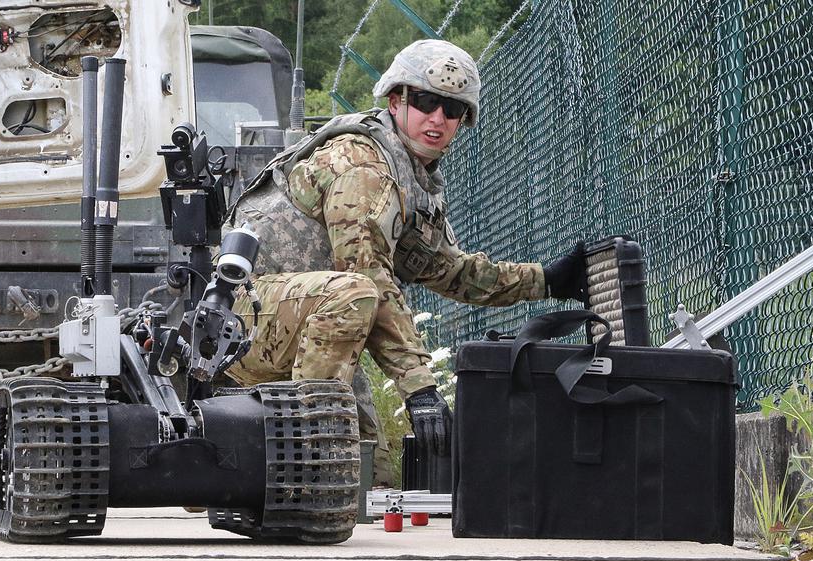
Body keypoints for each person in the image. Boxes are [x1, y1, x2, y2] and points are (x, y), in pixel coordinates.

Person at [221, 39, 586, 478]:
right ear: (396, 101)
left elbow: (448, 270)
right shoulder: (363, 167)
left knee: (370, 474)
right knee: (329, 457)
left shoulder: (411, 176)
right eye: (427, 102)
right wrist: (419, 388)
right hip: (245, 325)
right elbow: (364, 275)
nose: (437, 119)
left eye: (451, 110)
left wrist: (546, 280)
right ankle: (303, 472)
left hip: (314, 325)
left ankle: (297, 476)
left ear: (463, 120)